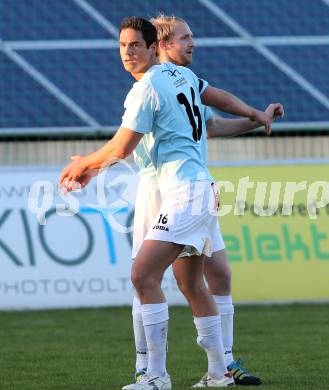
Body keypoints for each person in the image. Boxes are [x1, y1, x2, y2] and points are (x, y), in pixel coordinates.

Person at [59, 16, 274, 389]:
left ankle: (157, 375)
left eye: (134, 45)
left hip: (181, 190)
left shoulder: (151, 87)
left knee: (145, 276)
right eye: (122, 46)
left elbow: (122, 147)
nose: (127, 53)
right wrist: (255, 115)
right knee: (187, 281)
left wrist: (84, 163)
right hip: (175, 188)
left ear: (152, 47)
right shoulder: (181, 78)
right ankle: (212, 370)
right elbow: (212, 106)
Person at [130, 14, 284, 387]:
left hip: (191, 188)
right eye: (185, 38)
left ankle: (221, 365)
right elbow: (131, 141)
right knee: (147, 276)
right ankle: (147, 365)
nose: (193, 43)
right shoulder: (156, 85)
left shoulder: (183, 81)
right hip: (161, 189)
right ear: (161, 45)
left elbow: (211, 125)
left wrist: (254, 117)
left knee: (211, 275)